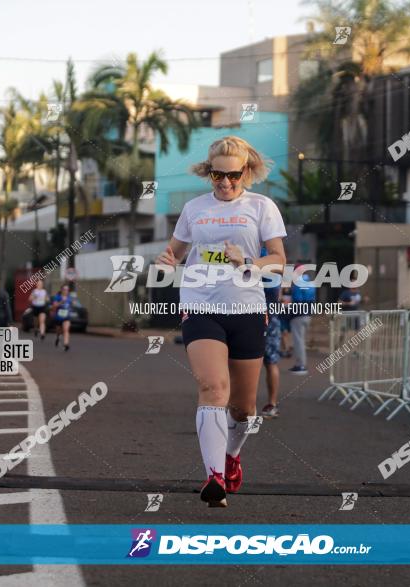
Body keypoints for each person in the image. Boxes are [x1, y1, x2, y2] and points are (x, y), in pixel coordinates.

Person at [155, 135, 286, 507]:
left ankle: (231, 456)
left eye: (233, 176)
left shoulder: (262, 207)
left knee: (243, 409)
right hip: (201, 307)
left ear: (247, 171)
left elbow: (278, 258)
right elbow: (175, 252)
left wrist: (246, 263)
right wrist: (165, 261)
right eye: (217, 176)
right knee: (213, 387)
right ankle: (214, 477)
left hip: (246, 309)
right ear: (208, 173)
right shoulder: (194, 209)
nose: (226, 183)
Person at [259, 248, 281, 419]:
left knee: (237, 362)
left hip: (256, 316)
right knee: (270, 362)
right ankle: (272, 404)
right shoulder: (275, 261)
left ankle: (239, 405)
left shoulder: (254, 257)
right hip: (271, 317)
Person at [288, 263, 316, 375]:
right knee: (301, 340)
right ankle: (299, 364)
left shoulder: (297, 284)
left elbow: (297, 300)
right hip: (307, 314)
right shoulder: (311, 283)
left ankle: (301, 365)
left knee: (298, 341)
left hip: (298, 315)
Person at [50, 283, 74, 351]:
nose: (66, 291)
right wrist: (61, 302)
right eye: (64, 289)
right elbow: (54, 306)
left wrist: (70, 309)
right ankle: (58, 337)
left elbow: (70, 305)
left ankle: (66, 344)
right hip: (58, 317)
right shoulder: (57, 297)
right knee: (58, 331)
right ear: (61, 290)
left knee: (66, 330)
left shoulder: (69, 297)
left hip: (66, 317)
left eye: (67, 290)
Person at [279, 286, 293, 357]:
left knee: (286, 332)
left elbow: (279, 298)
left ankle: (287, 349)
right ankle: (286, 349)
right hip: (284, 313)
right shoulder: (283, 289)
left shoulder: (291, 290)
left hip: (288, 313)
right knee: (284, 332)